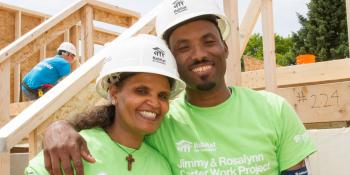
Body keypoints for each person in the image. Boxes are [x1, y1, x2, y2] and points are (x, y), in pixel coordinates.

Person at [42, 0, 316, 175]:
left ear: (225, 47)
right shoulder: (160, 119)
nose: (198, 54)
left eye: (209, 41)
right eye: (183, 47)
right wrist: (59, 127)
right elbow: (112, 126)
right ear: (170, 61)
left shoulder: (274, 110)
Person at [25, 34, 186, 175]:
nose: (154, 103)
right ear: (114, 93)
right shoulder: (72, 151)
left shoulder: (161, 167)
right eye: (141, 91)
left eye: (163, 95)